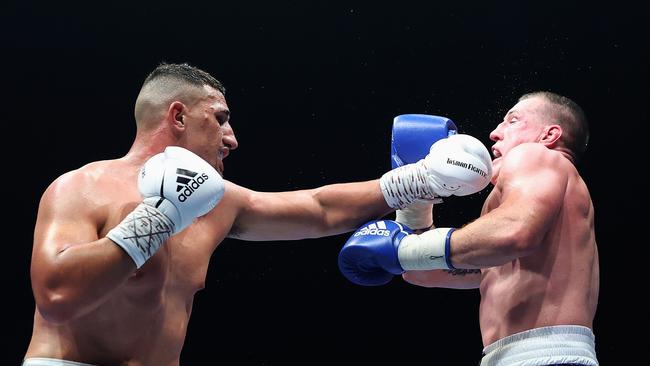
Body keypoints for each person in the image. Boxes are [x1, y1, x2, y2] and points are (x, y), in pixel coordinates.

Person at [23, 62, 492, 366]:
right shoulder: (82, 187)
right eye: (221, 118)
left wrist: (420, 180)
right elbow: (57, 296)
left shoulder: (218, 200)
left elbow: (318, 210)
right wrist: (160, 217)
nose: (233, 138)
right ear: (178, 116)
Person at [338, 91, 599, 366]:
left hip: (545, 355)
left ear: (549, 135)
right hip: (512, 356)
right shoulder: (525, 227)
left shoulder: (537, 156)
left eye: (512, 120)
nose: (495, 133)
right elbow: (421, 272)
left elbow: (515, 233)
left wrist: (404, 249)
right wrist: (416, 200)